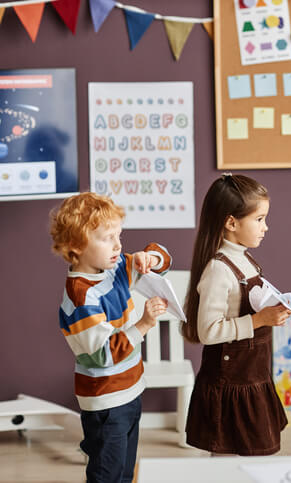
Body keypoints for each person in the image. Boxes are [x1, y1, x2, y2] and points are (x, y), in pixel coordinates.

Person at [50, 192, 171, 483]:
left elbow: (164, 259)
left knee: (125, 472)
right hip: (106, 400)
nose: (118, 245)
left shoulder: (113, 268)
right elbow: (102, 355)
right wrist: (143, 324)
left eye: (120, 235)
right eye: (107, 238)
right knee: (107, 475)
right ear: (76, 247)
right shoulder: (81, 298)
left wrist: (149, 257)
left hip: (130, 388)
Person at [183, 174, 291, 456]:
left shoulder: (244, 258)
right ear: (231, 223)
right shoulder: (219, 269)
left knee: (253, 455)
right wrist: (259, 320)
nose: (266, 227)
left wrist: (273, 309)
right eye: (259, 219)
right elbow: (208, 331)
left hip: (252, 375)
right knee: (227, 459)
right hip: (230, 383)